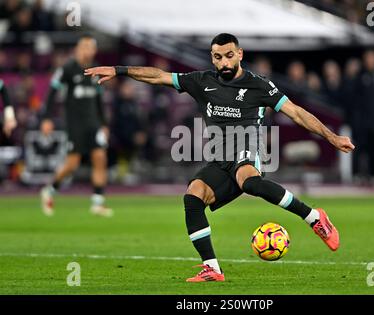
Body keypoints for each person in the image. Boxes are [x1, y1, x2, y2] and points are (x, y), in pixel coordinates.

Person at [85, 33, 355, 282]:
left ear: (240, 54)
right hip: (220, 158)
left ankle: (313, 217)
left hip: (248, 149)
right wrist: (119, 71)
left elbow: (296, 113)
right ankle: (212, 268)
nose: (223, 62)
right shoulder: (202, 81)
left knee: (248, 180)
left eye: (228, 55)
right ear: (212, 58)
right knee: (193, 196)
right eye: (217, 57)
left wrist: (332, 137)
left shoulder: (258, 85)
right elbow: (159, 76)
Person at [40, 34, 112, 217]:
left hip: (93, 122)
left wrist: (103, 123)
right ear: (78, 49)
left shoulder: (96, 70)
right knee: (72, 164)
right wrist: (47, 118)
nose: (88, 50)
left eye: (91, 47)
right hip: (75, 123)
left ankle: (97, 202)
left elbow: (98, 98)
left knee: (100, 157)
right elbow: (52, 92)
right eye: (85, 47)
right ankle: (49, 190)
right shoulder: (67, 69)